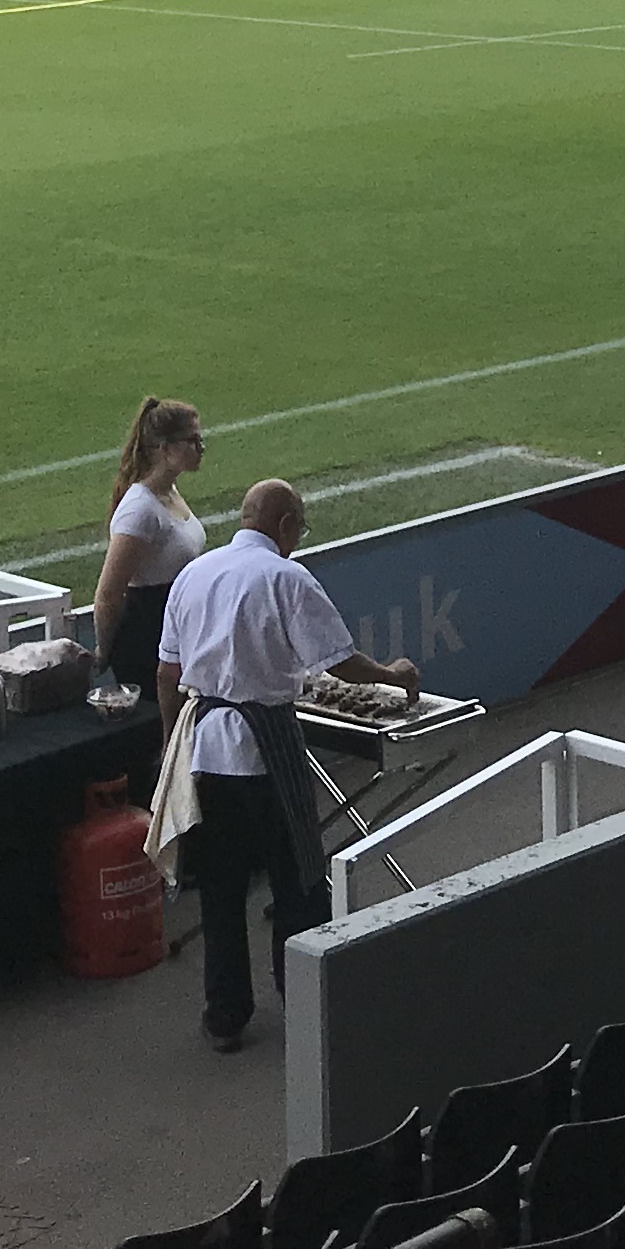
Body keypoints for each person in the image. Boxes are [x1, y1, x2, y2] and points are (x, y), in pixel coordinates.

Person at [152, 478, 417, 1054]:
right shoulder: (287, 578)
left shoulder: (193, 576)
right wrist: (394, 676)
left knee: (221, 890)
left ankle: (226, 1016)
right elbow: (342, 663)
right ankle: (303, 1002)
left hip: (206, 751)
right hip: (265, 748)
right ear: (285, 526)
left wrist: (174, 747)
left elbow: (167, 677)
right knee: (297, 878)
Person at [91, 397, 208, 696]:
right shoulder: (139, 510)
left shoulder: (169, 493)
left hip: (178, 627)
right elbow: (108, 594)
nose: (201, 448)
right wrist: (104, 651)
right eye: (191, 440)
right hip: (149, 639)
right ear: (165, 449)